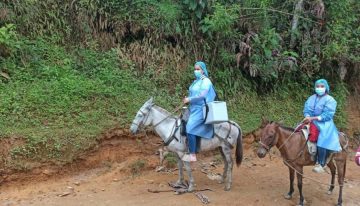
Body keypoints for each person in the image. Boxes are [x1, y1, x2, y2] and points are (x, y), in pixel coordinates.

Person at [303, 79, 342, 173]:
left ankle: (321, 163)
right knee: (298, 130)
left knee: (322, 138)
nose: (319, 88)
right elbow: (307, 109)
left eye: (322, 86)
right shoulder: (311, 98)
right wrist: (307, 116)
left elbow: (328, 115)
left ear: (326, 88)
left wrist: (314, 118)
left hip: (325, 123)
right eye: (317, 86)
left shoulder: (330, 100)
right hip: (311, 120)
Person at [182, 61, 216, 162]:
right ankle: (190, 146)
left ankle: (192, 154)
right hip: (193, 108)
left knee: (190, 127)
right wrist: (188, 99)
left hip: (201, 109)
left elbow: (202, 95)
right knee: (182, 122)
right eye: (195, 69)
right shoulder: (196, 81)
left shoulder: (206, 81)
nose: (196, 71)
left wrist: (189, 99)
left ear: (203, 70)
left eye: (198, 69)